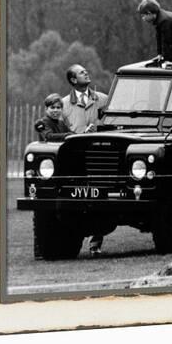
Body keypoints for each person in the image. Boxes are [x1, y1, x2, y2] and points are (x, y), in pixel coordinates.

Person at [62, 64, 109, 256]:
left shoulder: (104, 99)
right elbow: (62, 132)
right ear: (73, 80)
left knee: (102, 199)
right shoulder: (64, 104)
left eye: (85, 70)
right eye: (81, 72)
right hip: (75, 159)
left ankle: (95, 242)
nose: (86, 72)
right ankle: (74, 239)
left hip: (100, 157)